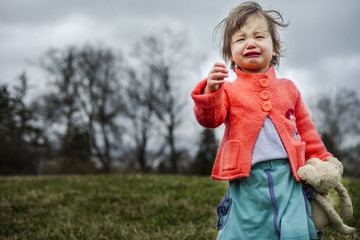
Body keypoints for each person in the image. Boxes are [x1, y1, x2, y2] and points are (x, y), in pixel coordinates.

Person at [191, 1, 332, 239]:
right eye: (240, 39)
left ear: (275, 47)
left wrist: (322, 160)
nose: (251, 43)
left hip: (290, 178)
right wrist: (210, 92)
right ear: (229, 54)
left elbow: (306, 131)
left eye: (259, 36)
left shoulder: (289, 89)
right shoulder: (227, 90)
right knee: (244, 231)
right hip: (247, 181)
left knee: (296, 231)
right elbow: (210, 119)